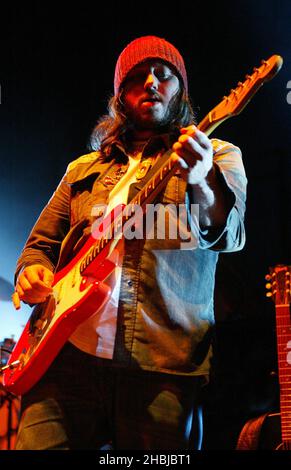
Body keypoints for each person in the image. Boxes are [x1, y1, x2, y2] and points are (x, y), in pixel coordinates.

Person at [12, 35, 247, 450]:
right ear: (120, 96)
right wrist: (31, 272)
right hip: (63, 359)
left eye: (164, 74)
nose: (151, 82)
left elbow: (228, 235)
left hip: (160, 368)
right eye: (137, 77)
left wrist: (204, 179)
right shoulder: (83, 168)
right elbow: (39, 246)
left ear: (181, 89)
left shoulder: (218, 153)